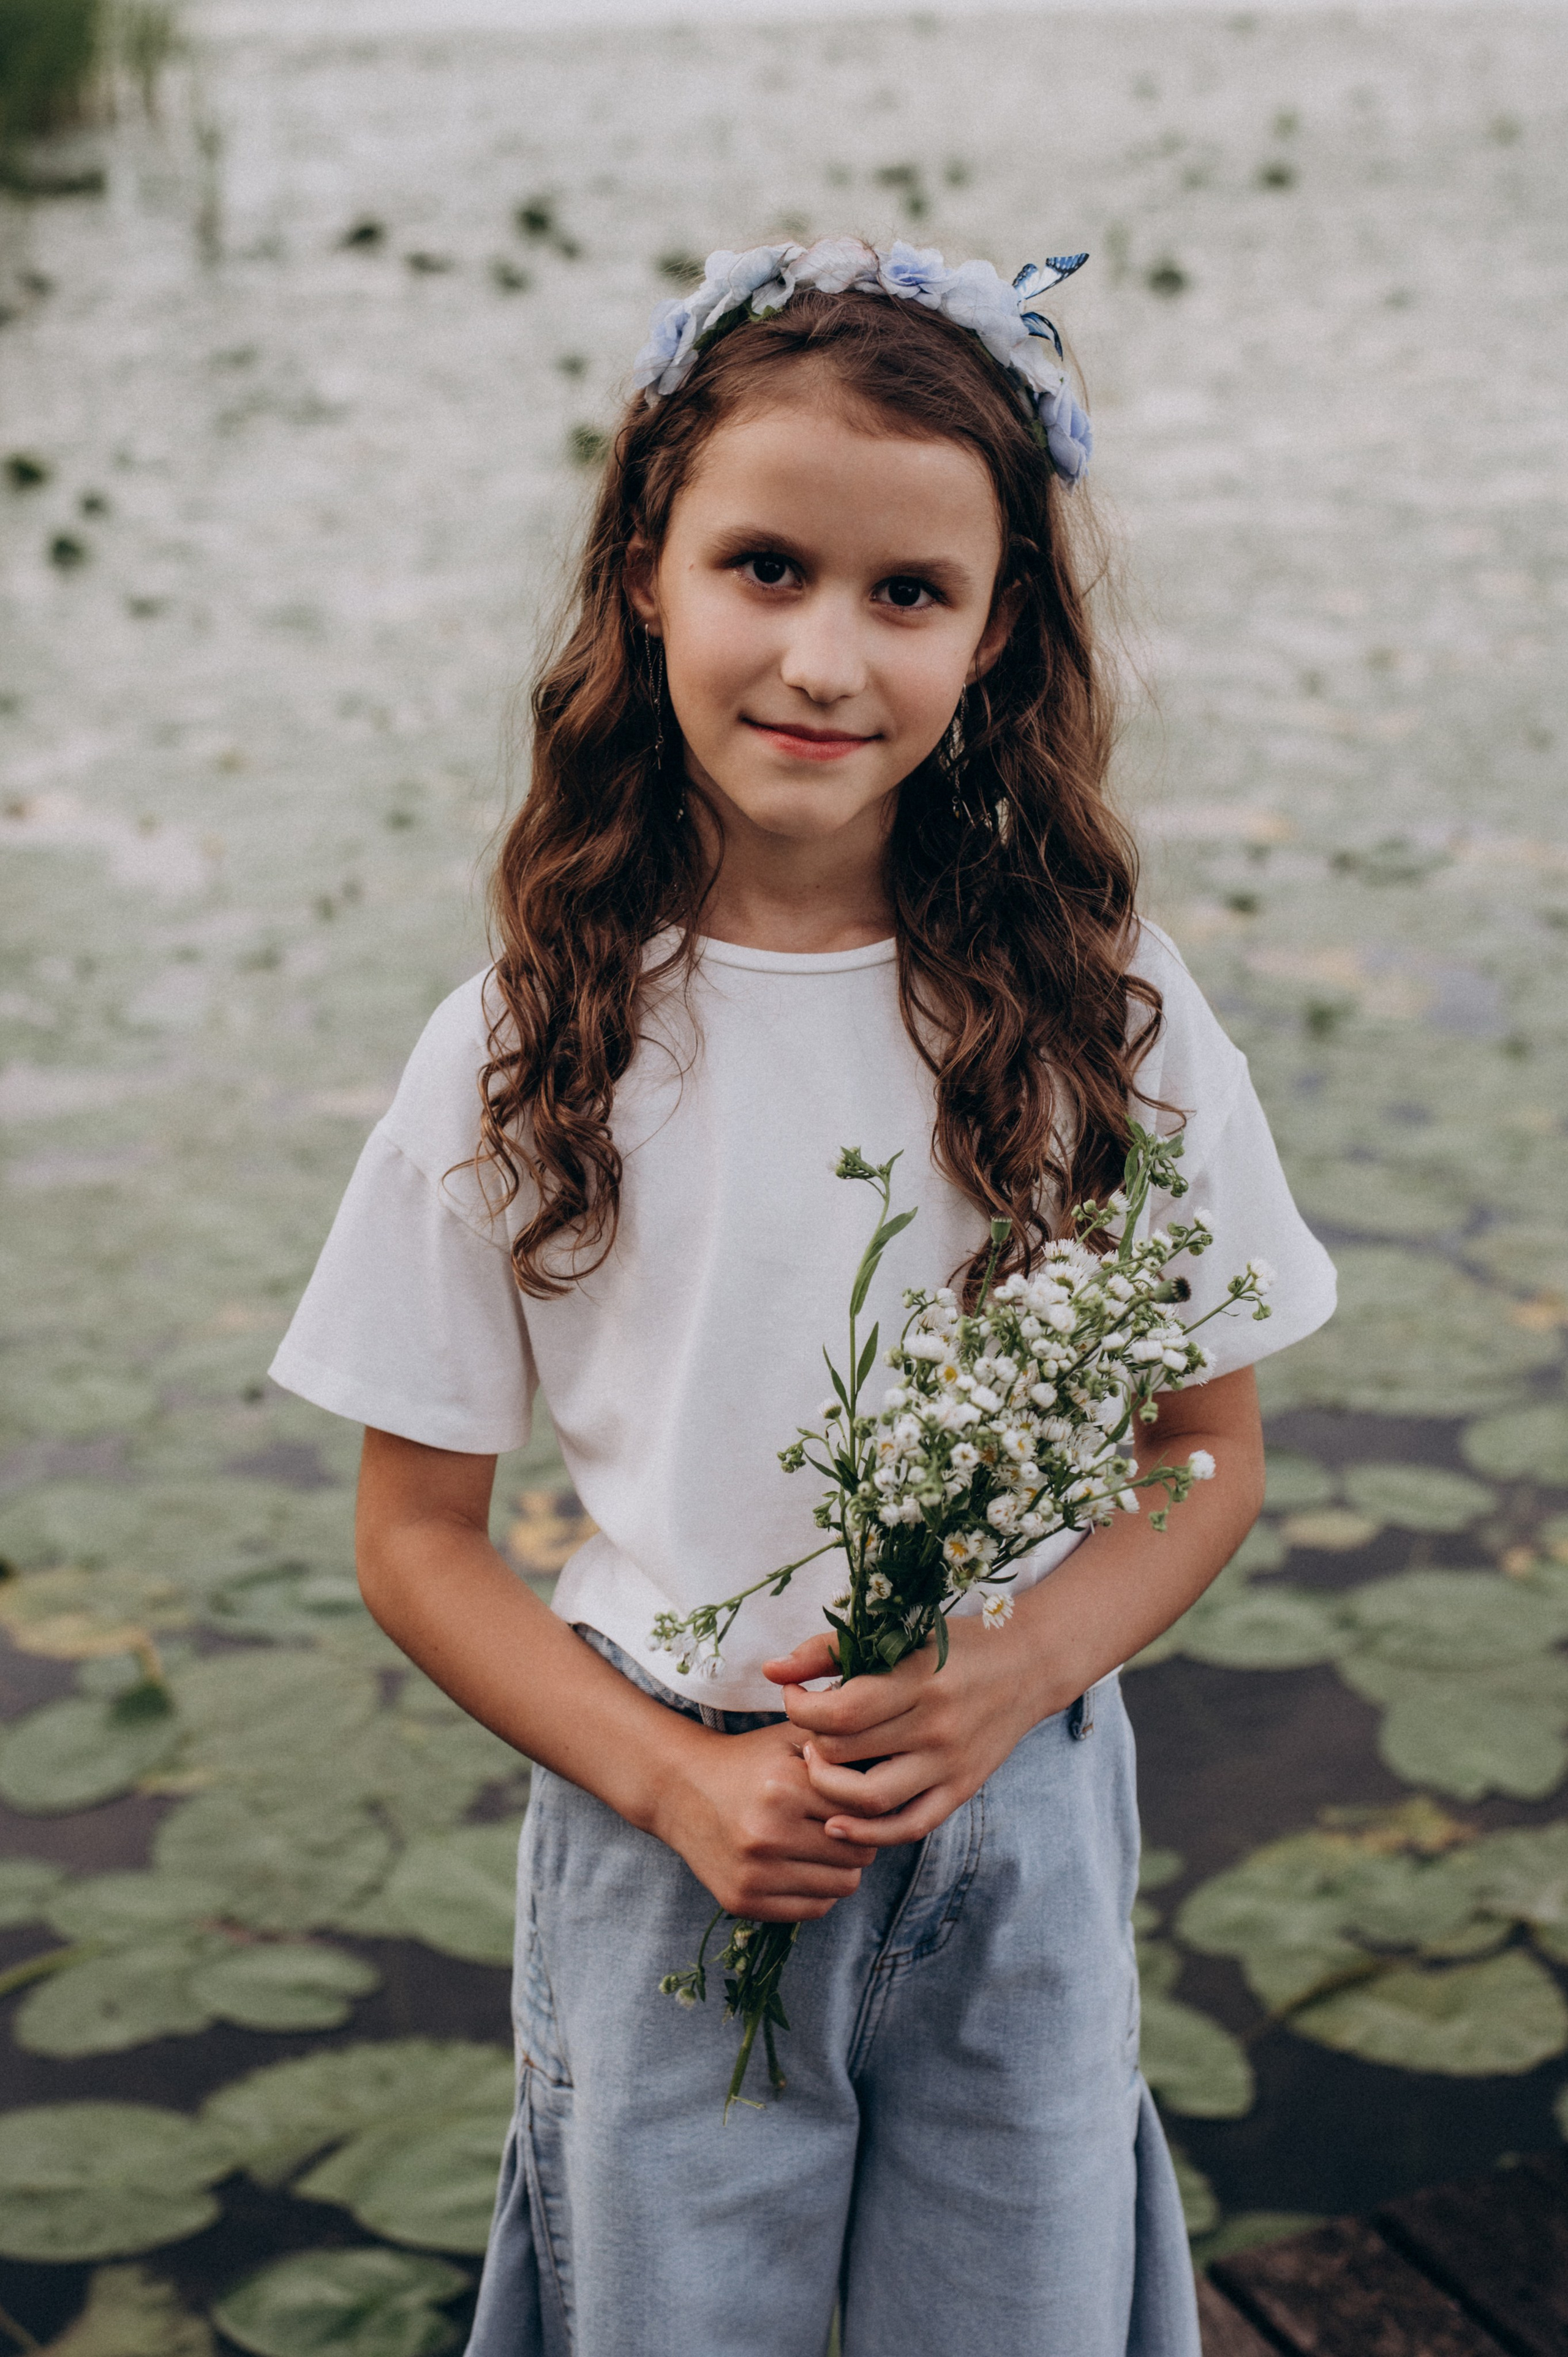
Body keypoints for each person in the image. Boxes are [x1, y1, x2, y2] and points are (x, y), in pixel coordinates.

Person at [270, 237, 1336, 2357]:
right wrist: (679, 1782)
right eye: (765, 568)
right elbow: (415, 1540)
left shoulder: (1107, 1016)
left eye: (907, 593)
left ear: (996, 632)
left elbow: (1204, 1456)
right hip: (666, 1828)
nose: (826, 659)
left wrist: (1015, 1670)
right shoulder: (522, 1045)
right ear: (647, 575)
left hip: (1020, 1813)